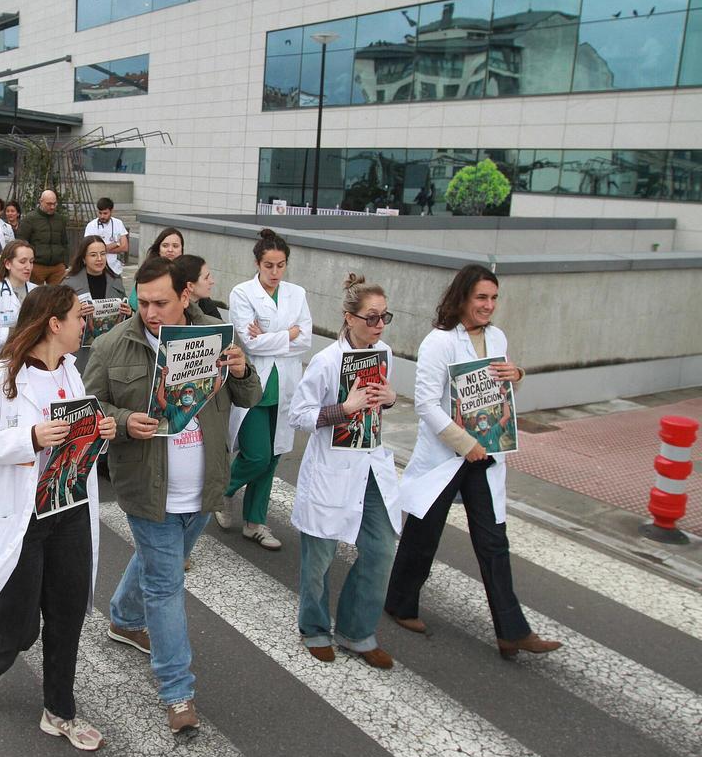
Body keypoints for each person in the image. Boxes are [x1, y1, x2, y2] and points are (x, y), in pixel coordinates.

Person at [82, 257, 260, 733]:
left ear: (186, 295)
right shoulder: (110, 344)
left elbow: (251, 396)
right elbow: (89, 404)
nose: (150, 311)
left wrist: (241, 370)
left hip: (203, 491)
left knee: (156, 564)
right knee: (165, 586)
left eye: (160, 301)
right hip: (147, 491)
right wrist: (122, 422)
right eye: (142, 302)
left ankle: (121, 616)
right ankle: (177, 690)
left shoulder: (219, 335)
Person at [0, 284, 115, 752]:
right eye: (78, 317)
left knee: (67, 614)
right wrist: (29, 437)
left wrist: (102, 432)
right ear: (54, 324)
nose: (84, 324)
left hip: (70, 508)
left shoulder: (72, 373)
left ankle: (59, 711)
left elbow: (75, 439)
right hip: (25, 517)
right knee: (20, 628)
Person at [384, 264, 562, 660]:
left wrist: (517, 374)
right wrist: (464, 443)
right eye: (481, 297)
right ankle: (399, 603)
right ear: (462, 297)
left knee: (493, 541)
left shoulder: (496, 336)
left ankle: (511, 631)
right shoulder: (439, 342)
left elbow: (498, 386)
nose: (488, 305)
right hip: (449, 455)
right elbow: (427, 404)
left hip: (485, 455)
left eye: (494, 298)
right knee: (424, 533)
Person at [289, 274, 402, 668]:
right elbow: (298, 415)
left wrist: (388, 400)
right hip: (332, 469)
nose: (379, 325)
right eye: (371, 317)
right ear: (348, 318)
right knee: (319, 556)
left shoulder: (382, 352)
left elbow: (382, 400)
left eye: (384, 316)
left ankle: (357, 631)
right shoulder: (325, 362)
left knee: (382, 549)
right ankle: (315, 627)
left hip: (371, 466)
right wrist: (343, 409)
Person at [220, 229, 313, 548]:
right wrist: (288, 333)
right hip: (253, 386)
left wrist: (272, 335)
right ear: (258, 263)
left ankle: (255, 522)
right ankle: (223, 491)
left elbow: (306, 340)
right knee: (257, 456)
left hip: (286, 387)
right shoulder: (242, 292)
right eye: (269, 265)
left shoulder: (297, 293)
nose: (275, 272)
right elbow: (249, 342)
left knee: (273, 458)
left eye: (281, 265)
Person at [63, 235, 131, 376]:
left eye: (103, 254)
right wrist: (76, 314)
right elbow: (57, 316)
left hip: (110, 351)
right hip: (79, 352)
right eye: (93, 255)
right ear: (83, 259)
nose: (99, 259)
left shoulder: (116, 281)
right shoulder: (69, 284)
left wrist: (129, 313)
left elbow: (127, 321)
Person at [0, 239, 37, 362]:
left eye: (31, 262)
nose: (28, 267)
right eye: (22, 262)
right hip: (2, 361)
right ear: (8, 264)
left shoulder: (37, 291)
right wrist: (15, 333)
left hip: (31, 359)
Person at [17, 190, 68, 285]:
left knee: (57, 296)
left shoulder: (60, 219)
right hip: (37, 266)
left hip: (57, 266)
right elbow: (21, 242)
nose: (52, 207)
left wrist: (64, 263)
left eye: (54, 204)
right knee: (36, 296)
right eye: (49, 204)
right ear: (41, 201)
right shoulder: (30, 219)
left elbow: (64, 242)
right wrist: (28, 262)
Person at [127, 227, 185, 309]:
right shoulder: (147, 272)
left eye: (175, 246)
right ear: (158, 249)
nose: (170, 250)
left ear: (182, 250)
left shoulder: (187, 274)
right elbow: (134, 304)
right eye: (165, 246)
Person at [83, 197, 129, 276]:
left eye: (105, 213)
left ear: (111, 211)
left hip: (115, 269)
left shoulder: (118, 223)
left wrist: (101, 250)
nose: (102, 216)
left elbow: (125, 247)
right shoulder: (91, 226)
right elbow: (89, 248)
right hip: (96, 269)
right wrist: (115, 244)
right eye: (100, 213)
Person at [174, 255, 223, 319]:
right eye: (206, 278)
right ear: (190, 286)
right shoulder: (174, 312)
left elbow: (220, 327)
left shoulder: (206, 303)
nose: (212, 281)